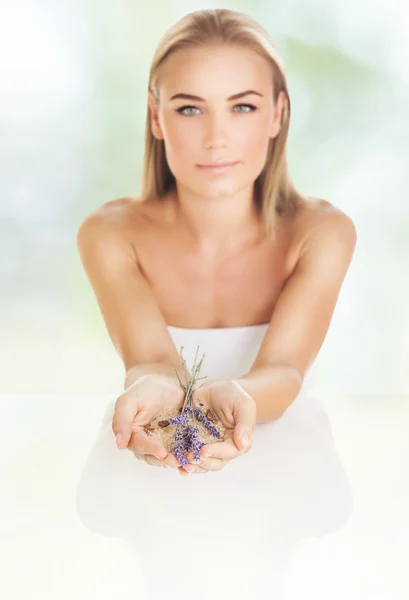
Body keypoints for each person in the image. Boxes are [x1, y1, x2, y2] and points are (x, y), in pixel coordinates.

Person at [75, 8, 356, 599]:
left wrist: (241, 398)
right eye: (189, 108)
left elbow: (284, 369)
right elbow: (150, 360)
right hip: (156, 449)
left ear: (277, 114)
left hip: (285, 457)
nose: (216, 137)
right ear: (156, 116)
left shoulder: (321, 232)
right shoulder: (108, 233)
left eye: (243, 106)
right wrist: (155, 393)